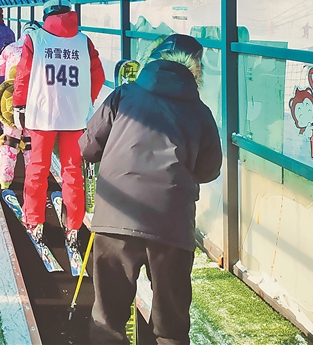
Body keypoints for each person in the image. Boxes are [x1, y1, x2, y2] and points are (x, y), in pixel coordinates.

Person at [79, 34, 222, 345]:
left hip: (117, 215)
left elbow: (88, 147)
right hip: (172, 222)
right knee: (170, 323)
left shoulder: (124, 95)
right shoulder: (200, 112)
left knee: (108, 318)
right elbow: (210, 169)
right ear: (196, 70)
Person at [12, 0, 105, 250]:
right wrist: (85, 100)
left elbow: (23, 75)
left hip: (42, 115)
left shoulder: (35, 39)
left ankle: (35, 222)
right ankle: (73, 227)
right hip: (75, 117)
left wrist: (19, 105)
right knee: (72, 171)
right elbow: (98, 76)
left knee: (37, 169)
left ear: (46, 14)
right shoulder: (84, 42)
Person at [0, 21, 40, 189]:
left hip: (11, 102)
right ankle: (33, 182)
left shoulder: (10, 48)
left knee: (10, 142)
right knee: (30, 143)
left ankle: (5, 181)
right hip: (34, 103)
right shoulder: (40, 50)